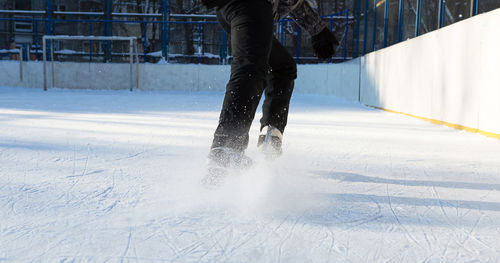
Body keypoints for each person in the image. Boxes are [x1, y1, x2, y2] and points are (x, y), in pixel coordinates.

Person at [202, 0, 339, 185]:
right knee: (250, 69)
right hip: (251, 6)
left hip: (232, 9)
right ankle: (226, 146)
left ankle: (271, 134)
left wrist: (317, 30)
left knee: (283, 67)